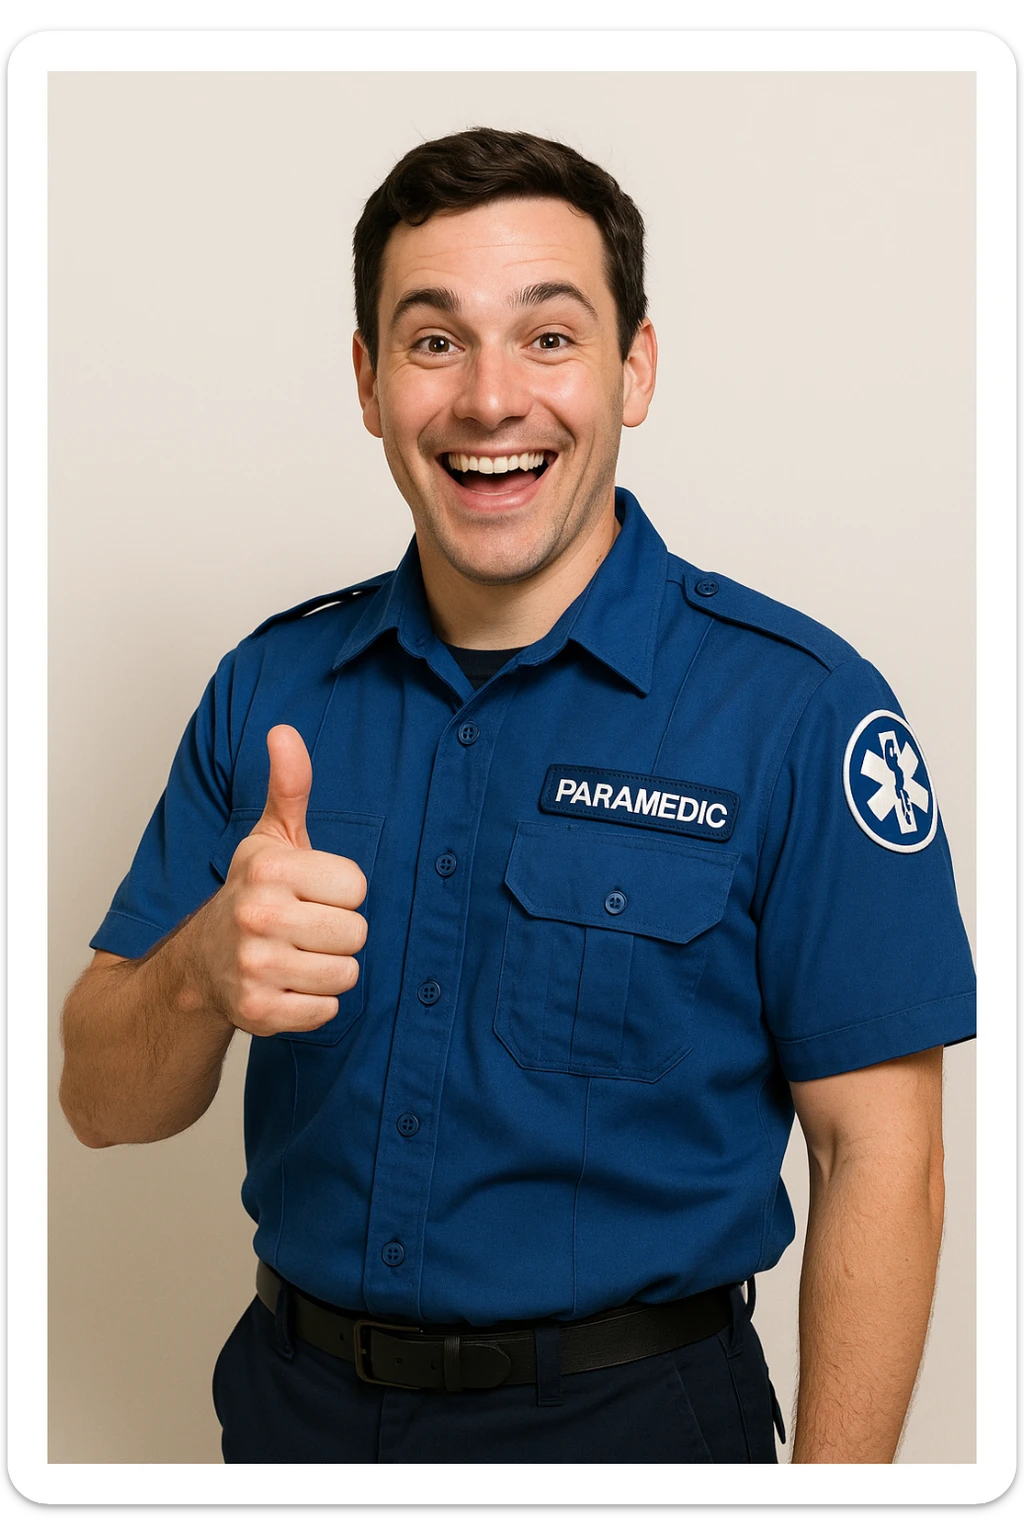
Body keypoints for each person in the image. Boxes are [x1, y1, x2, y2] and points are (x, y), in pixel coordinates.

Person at [59, 126, 976, 1465]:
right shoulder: (270, 688)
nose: (492, 400)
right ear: (371, 384)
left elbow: (883, 1163)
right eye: (434, 342)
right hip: (290, 1418)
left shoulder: (802, 710)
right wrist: (199, 971)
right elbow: (100, 1104)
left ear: (634, 368)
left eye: (549, 338)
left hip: (633, 1430)